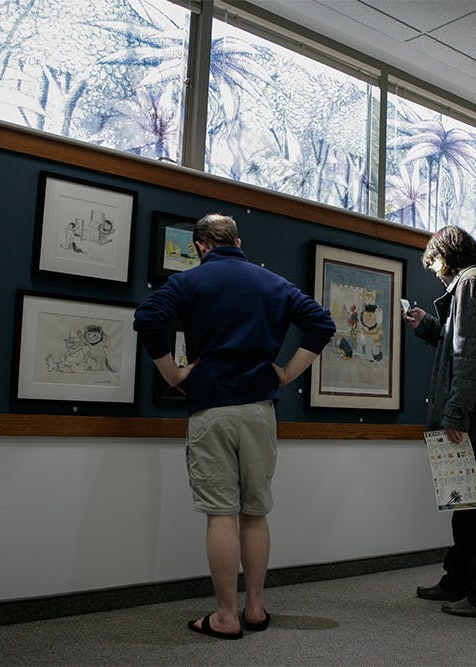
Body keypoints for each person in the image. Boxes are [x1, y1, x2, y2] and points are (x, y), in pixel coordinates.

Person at [133, 214, 336, 639]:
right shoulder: (272, 282)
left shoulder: (189, 282)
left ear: (200, 246)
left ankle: (226, 616)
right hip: (260, 409)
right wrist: (285, 373)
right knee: (255, 513)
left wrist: (172, 373)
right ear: (238, 241)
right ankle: (256, 609)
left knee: (220, 514)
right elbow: (322, 324)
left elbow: (149, 317)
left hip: (211, 409)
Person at [404, 225, 476, 620]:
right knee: (467, 503)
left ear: (447, 254)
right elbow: (461, 343)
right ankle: (459, 580)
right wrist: (426, 326)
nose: (435, 273)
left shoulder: (471, 283)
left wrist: (456, 412)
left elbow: (472, 355)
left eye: (435, 263)